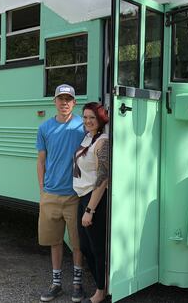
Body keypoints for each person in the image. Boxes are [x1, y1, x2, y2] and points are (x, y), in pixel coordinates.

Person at [36, 84, 86, 302]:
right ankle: (56, 284)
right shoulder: (44, 128)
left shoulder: (82, 126)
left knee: (77, 243)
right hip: (51, 195)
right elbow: (41, 160)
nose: (64, 103)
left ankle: (77, 284)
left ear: (74, 103)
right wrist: (42, 190)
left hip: (74, 195)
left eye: (68, 99)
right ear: (54, 102)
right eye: (60, 99)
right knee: (55, 241)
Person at [73, 102, 110, 303]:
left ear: (100, 120)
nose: (88, 121)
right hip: (82, 196)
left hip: (94, 200)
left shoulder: (102, 142)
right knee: (85, 247)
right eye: (85, 117)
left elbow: (103, 179)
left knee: (97, 248)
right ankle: (102, 285)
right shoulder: (87, 137)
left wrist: (90, 210)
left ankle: (100, 291)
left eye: (92, 118)